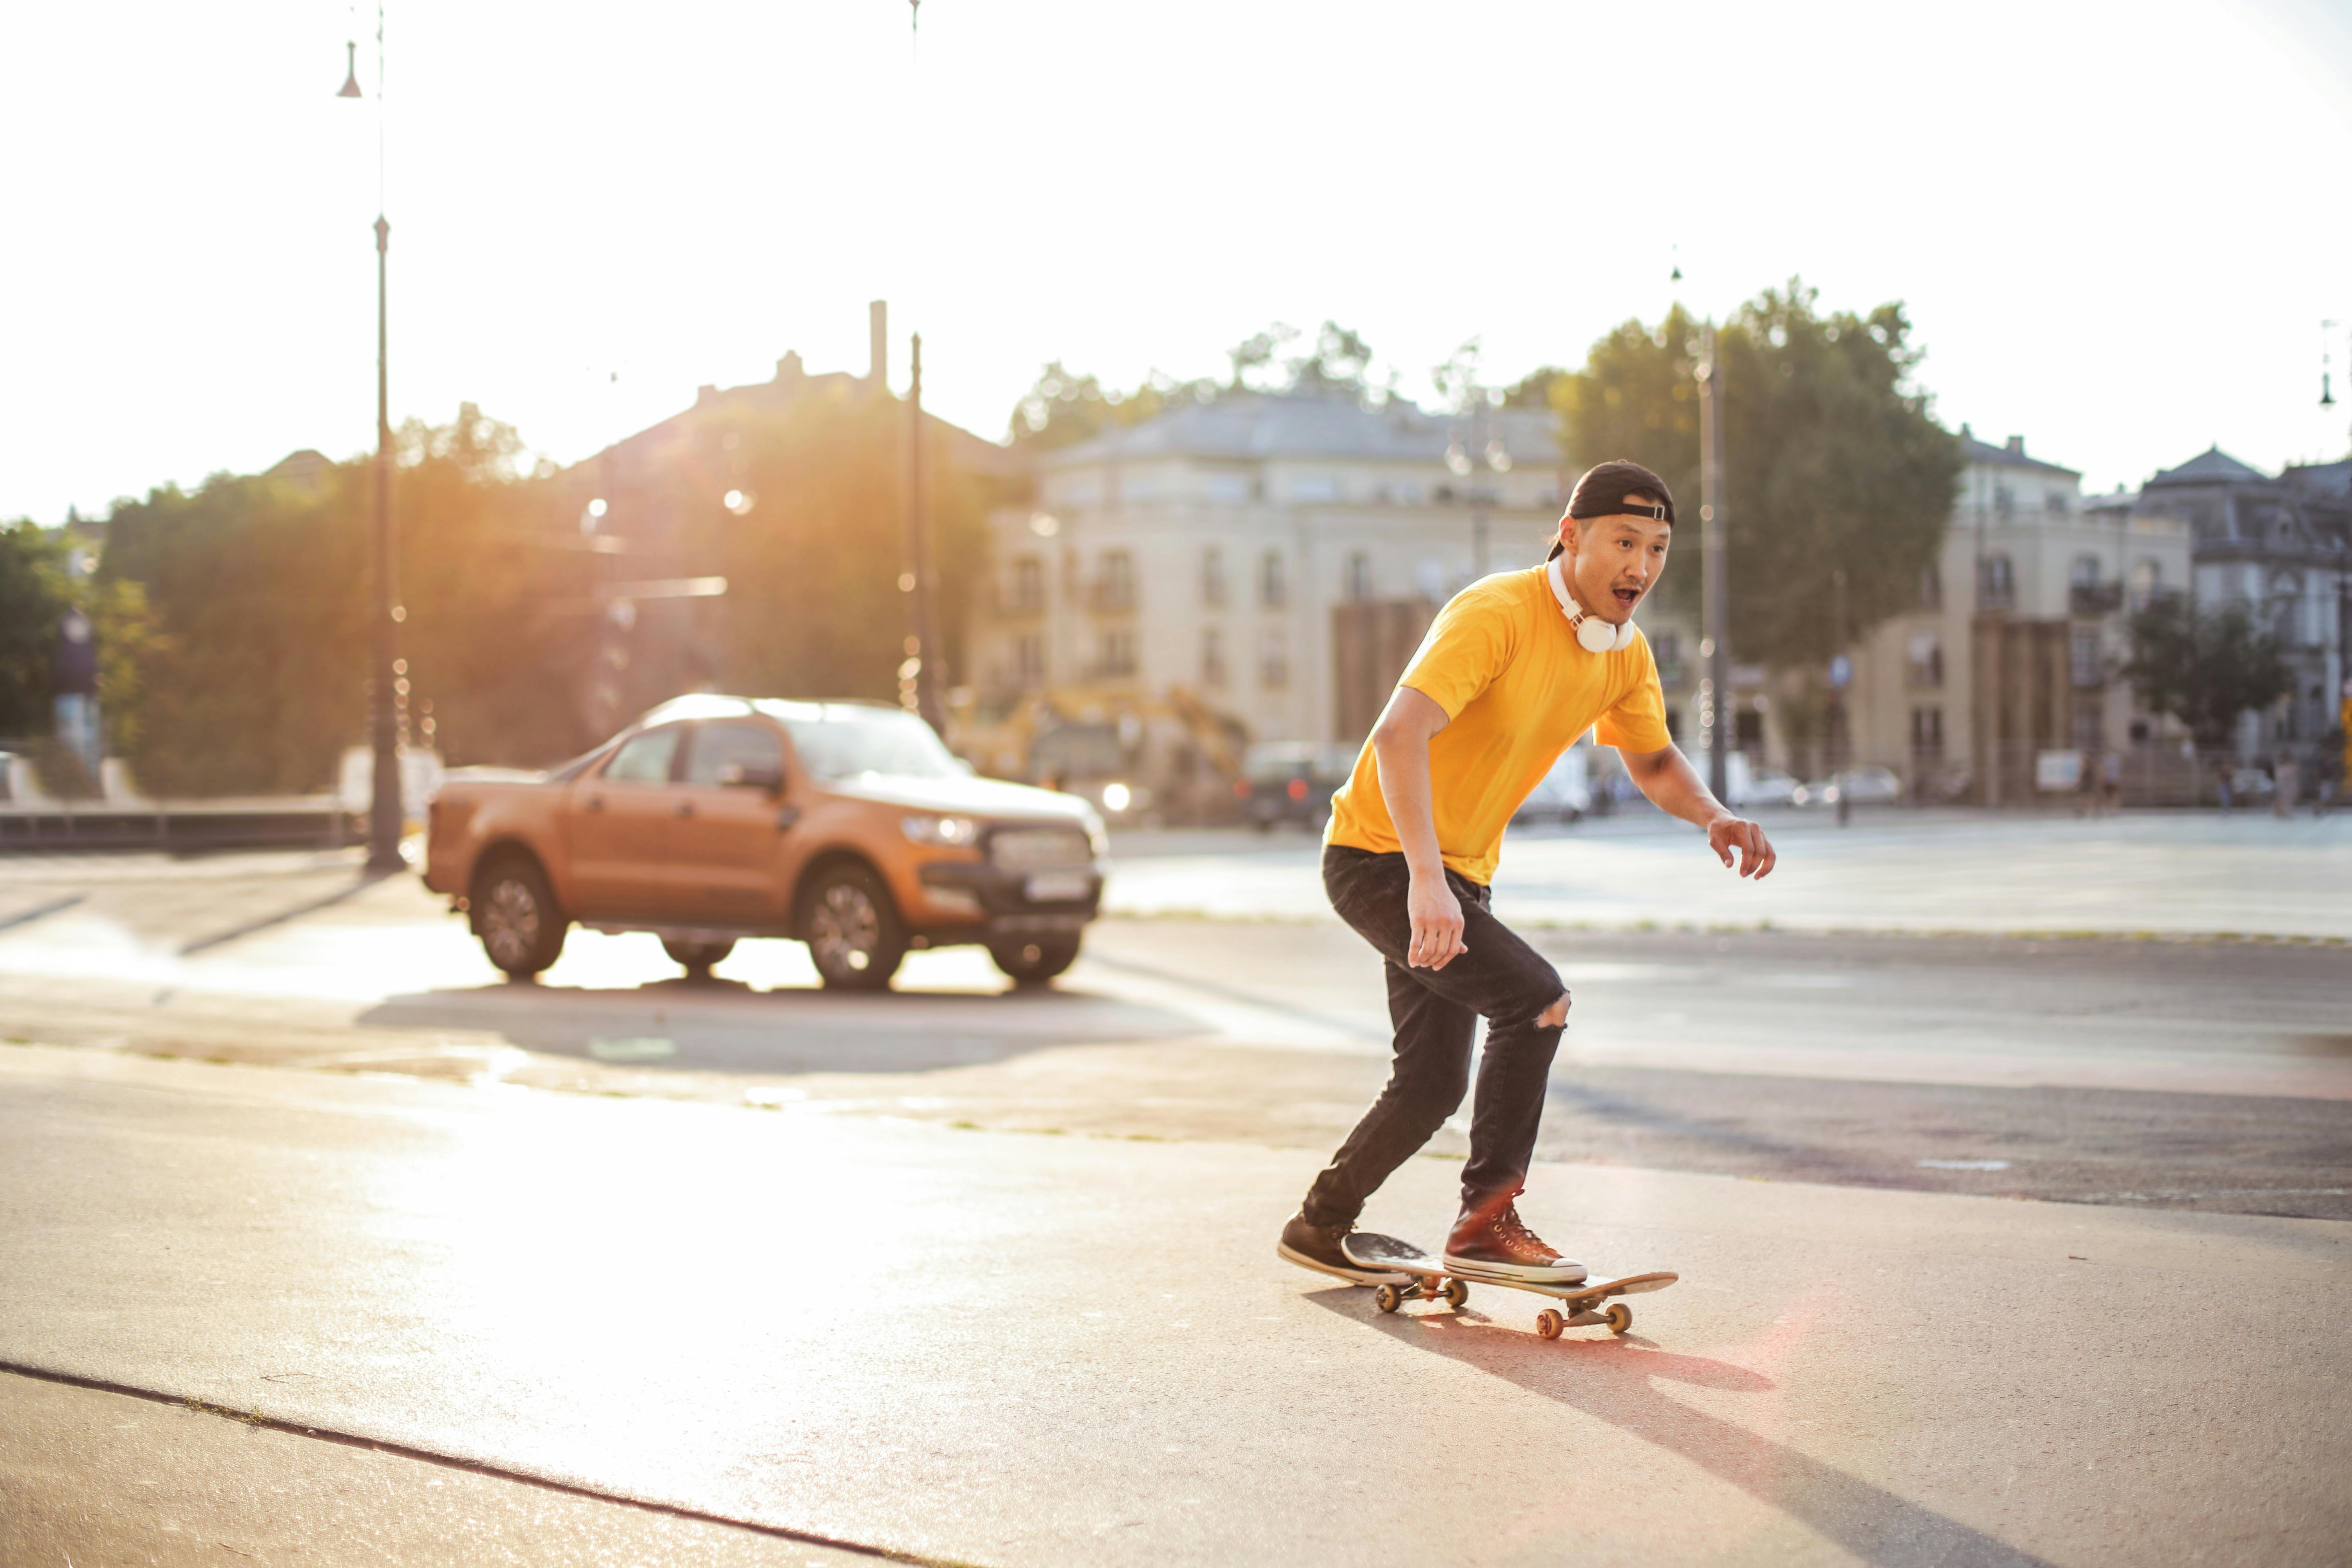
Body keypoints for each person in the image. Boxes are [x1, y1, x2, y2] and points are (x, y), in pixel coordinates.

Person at [1277, 460, 1776, 1286]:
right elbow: (1399, 736)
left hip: (1451, 873)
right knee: (1536, 1000)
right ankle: (1485, 1220)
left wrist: (1714, 814)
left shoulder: (1623, 653)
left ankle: (1320, 1224)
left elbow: (1652, 759)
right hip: (1379, 856)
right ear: (1570, 536)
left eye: (1657, 549)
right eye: (1624, 542)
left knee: (1433, 1082)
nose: (1641, 568)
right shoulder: (1496, 612)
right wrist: (1427, 883)